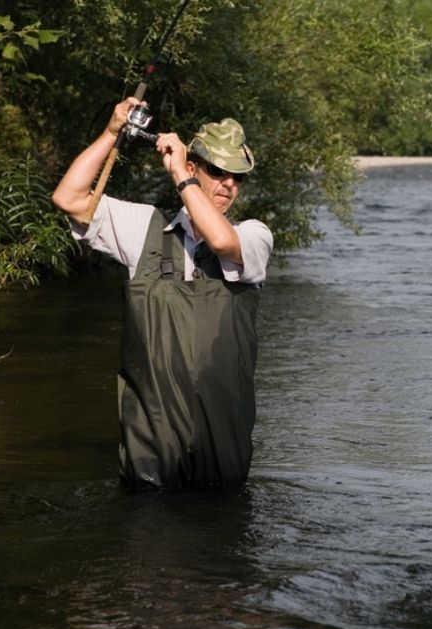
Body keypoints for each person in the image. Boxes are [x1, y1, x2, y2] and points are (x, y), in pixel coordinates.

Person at [52, 97, 273, 490]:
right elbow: (68, 199)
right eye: (217, 170)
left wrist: (182, 180)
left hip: (221, 445)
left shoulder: (254, 235)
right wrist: (112, 133)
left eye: (238, 177)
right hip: (150, 447)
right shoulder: (145, 228)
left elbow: (221, 241)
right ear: (193, 166)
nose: (229, 184)